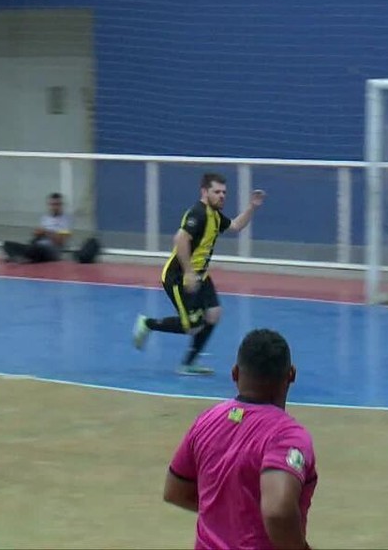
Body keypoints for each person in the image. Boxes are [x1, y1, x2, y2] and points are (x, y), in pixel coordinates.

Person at [164, 329, 317, 550]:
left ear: (235, 373)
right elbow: (277, 512)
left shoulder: (207, 421)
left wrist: (227, 513)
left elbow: (175, 491)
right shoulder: (287, 436)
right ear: (291, 375)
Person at [132, 172, 265, 375]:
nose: (222, 196)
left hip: (200, 275)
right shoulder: (198, 213)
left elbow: (236, 226)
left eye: (224, 192)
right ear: (204, 192)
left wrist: (252, 207)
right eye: (216, 192)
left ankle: (189, 363)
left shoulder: (215, 215)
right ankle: (147, 323)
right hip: (178, 277)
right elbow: (180, 239)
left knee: (213, 314)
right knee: (192, 326)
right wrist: (188, 273)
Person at [2, 192, 71, 264]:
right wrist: (37, 233)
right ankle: (23, 257)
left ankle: (21, 257)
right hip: (37, 245)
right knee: (7, 244)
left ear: (61, 205)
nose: (54, 207)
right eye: (52, 205)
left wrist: (46, 232)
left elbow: (61, 241)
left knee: (37, 248)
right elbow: (38, 235)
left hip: (51, 250)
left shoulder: (66, 220)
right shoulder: (45, 218)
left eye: (57, 205)